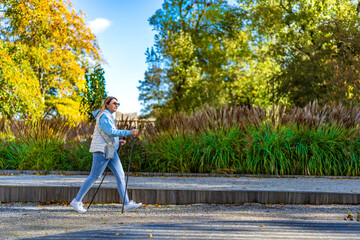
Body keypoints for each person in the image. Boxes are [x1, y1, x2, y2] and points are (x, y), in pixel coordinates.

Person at [70, 96, 141, 214]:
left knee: (121, 176)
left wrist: (119, 141)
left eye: (118, 103)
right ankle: (76, 201)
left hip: (110, 151)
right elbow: (112, 132)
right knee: (94, 176)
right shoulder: (104, 116)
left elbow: (109, 135)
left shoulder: (109, 117)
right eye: (114, 103)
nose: (116, 105)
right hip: (101, 151)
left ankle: (127, 204)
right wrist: (129, 132)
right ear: (106, 104)